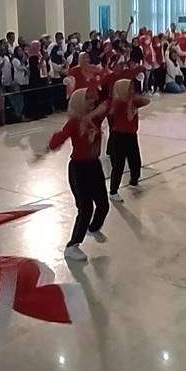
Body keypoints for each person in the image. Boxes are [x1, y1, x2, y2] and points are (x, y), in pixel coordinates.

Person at [43, 89, 110, 261]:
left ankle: (93, 228)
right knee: (86, 208)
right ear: (79, 103)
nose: (92, 101)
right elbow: (58, 140)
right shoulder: (73, 123)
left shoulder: (95, 118)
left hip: (94, 165)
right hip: (79, 169)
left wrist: (91, 115)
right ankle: (72, 246)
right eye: (87, 99)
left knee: (103, 204)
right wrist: (46, 149)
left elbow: (108, 104)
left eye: (91, 97)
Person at [107, 79, 150, 202]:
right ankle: (113, 191)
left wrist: (134, 99)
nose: (132, 90)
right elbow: (129, 117)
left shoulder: (131, 102)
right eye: (129, 88)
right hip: (119, 136)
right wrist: (131, 102)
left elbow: (147, 101)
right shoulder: (118, 103)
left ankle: (134, 181)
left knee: (135, 160)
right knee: (118, 165)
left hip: (131, 135)